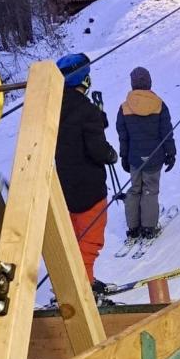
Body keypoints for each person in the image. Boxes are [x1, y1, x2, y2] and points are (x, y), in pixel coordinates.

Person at [54, 53, 118, 289]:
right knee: (90, 240)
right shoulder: (86, 110)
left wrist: (97, 116)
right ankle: (82, 288)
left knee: (73, 239)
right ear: (84, 79)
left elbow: (77, 127)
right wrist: (110, 154)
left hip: (65, 186)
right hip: (89, 188)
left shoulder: (54, 108)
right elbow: (97, 149)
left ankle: (72, 282)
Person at [116, 67, 176, 241]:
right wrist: (171, 153)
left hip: (135, 158)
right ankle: (148, 228)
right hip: (154, 157)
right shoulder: (159, 105)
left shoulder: (124, 108)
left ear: (132, 84)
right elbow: (166, 132)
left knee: (135, 189)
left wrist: (124, 157)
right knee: (150, 190)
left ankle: (133, 228)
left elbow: (123, 136)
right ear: (149, 82)